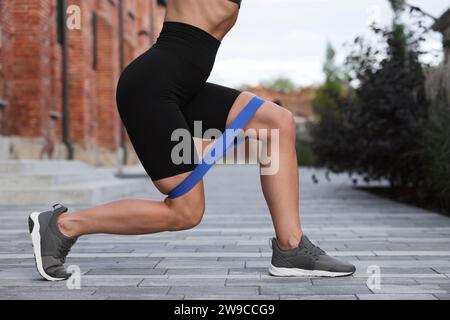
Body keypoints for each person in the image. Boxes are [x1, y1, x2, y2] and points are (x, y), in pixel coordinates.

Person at [28, 0, 355, 281]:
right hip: (151, 89)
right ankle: (64, 225)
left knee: (277, 122)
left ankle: (291, 247)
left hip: (182, 89)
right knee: (185, 211)